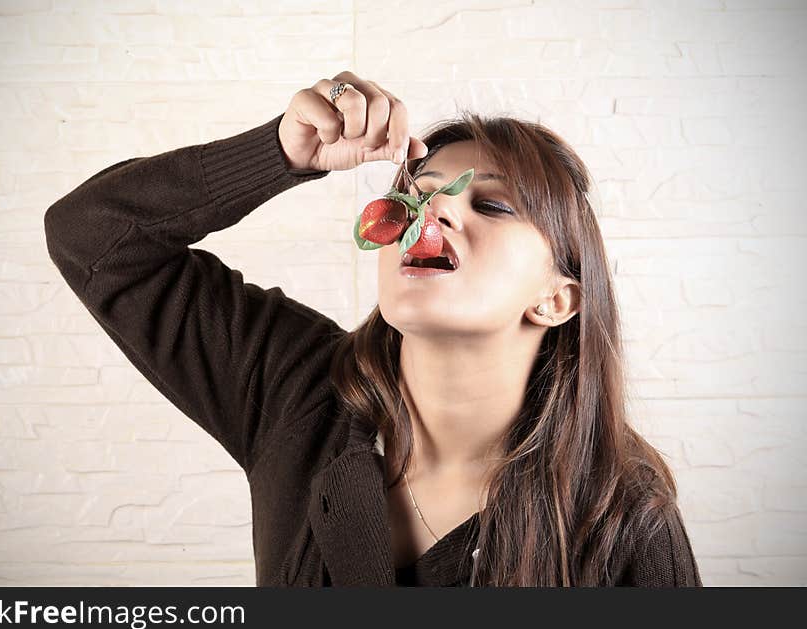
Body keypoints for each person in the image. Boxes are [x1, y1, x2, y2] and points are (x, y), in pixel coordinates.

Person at [44, 71, 702, 587]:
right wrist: (279, 153)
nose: (433, 206)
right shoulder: (294, 390)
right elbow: (90, 236)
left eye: (491, 203)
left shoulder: (623, 517)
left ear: (558, 299)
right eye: (416, 192)